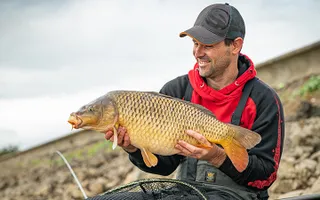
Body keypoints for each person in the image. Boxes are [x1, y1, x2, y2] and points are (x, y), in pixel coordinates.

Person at [105, 3, 285, 200]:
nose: (198, 52)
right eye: (195, 43)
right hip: (183, 191)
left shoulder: (263, 99)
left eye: (208, 45)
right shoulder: (176, 91)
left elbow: (265, 177)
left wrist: (216, 156)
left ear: (235, 45)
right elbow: (166, 167)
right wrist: (133, 148)